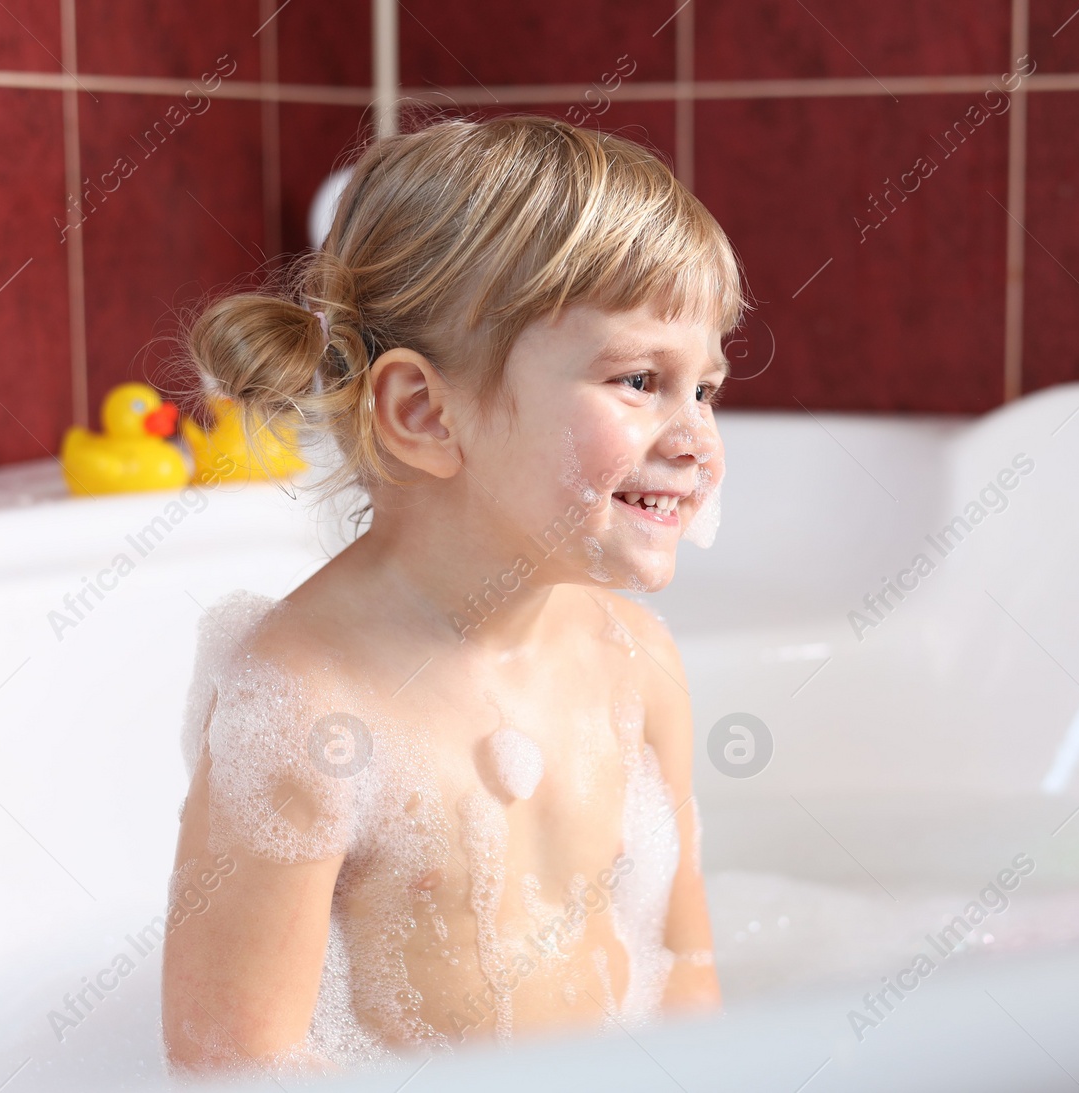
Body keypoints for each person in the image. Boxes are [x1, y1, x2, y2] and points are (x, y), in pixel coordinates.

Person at [162, 113, 743, 1076]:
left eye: (706, 388)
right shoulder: (307, 707)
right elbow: (236, 1063)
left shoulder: (639, 665)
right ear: (425, 413)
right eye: (641, 379)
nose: (696, 440)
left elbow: (686, 975)